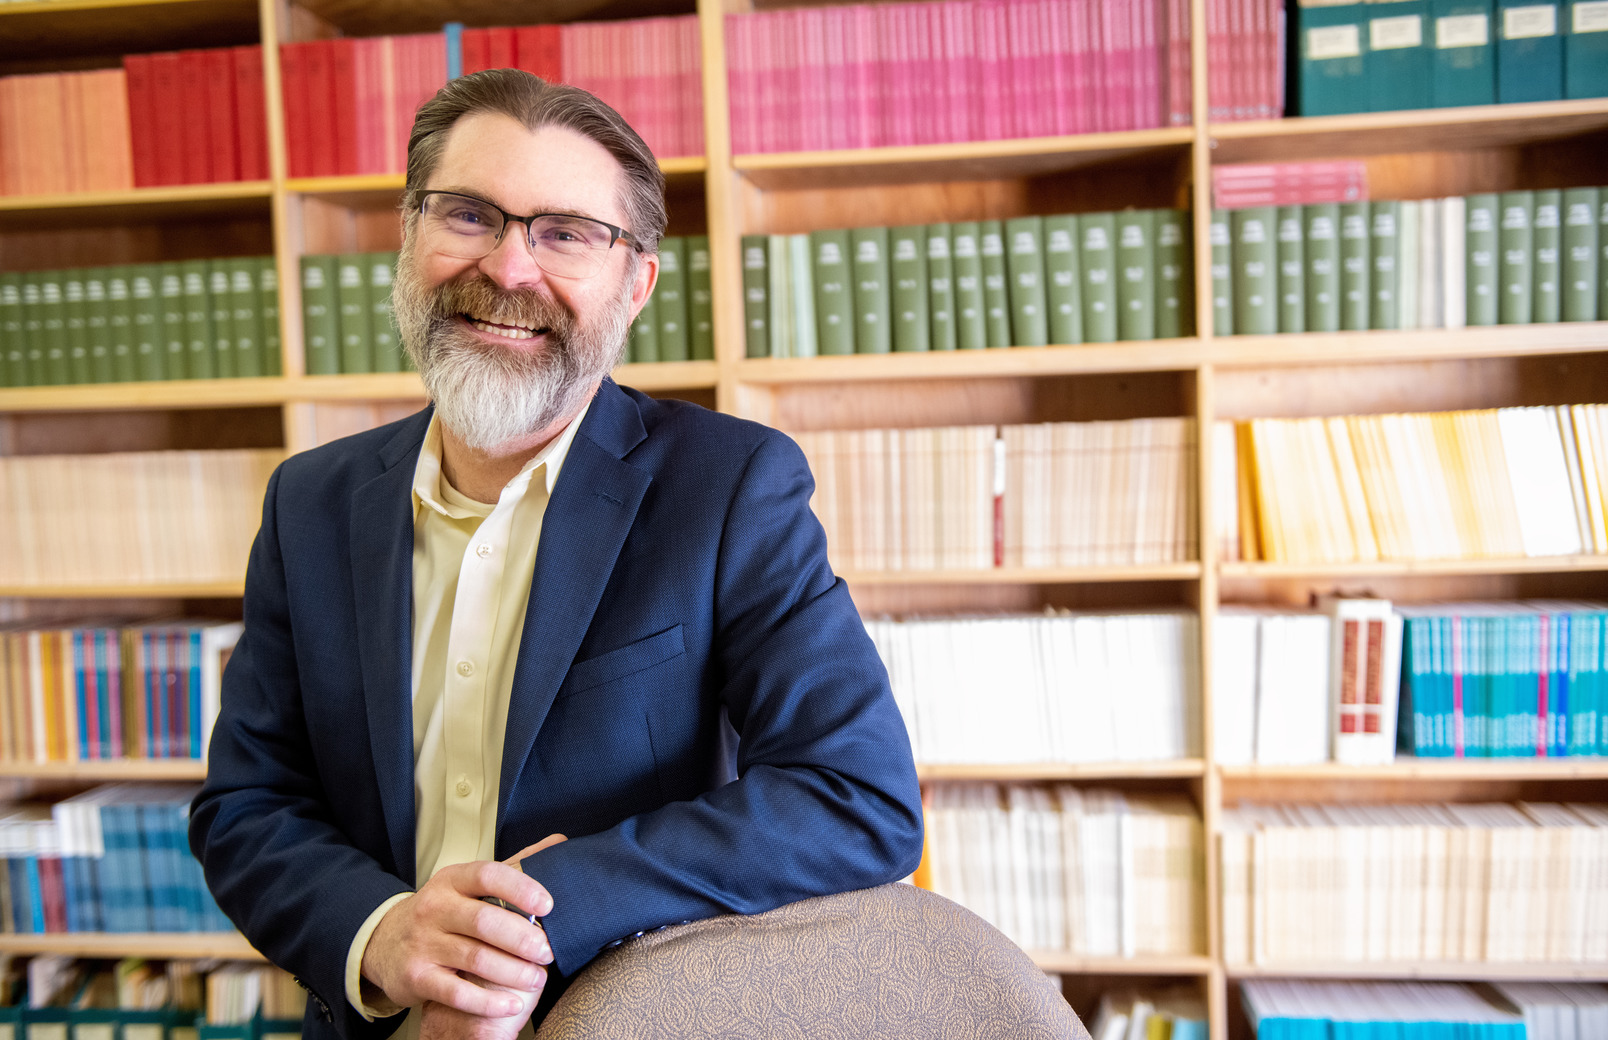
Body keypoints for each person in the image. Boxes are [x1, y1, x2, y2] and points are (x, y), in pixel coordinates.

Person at [189, 69, 924, 1040]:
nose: (507, 267)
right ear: (408, 240)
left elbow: (856, 795)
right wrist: (380, 933)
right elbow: (248, 801)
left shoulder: (730, 484)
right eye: (469, 214)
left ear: (636, 282)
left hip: (632, 1015)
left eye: (566, 232)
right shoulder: (310, 500)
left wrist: (525, 916)